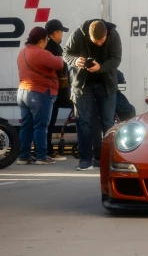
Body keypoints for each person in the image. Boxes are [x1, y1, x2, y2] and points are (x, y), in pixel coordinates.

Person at [63, 19, 122, 171]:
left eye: (101, 41)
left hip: (106, 85)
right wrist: (76, 61)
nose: (99, 44)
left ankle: (109, 159)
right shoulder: (78, 33)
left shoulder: (113, 35)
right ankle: (85, 160)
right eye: (95, 41)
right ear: (89, 36)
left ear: (106, 33)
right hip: (83, 86)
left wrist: (100, 67)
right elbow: (66, 53)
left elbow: (116, 59)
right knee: (84, 122)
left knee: (108, 123)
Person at [16, 26, 64, 165]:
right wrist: (60, 57)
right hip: (39, 93)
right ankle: (41, 156)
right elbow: (59, 63)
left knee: (26, 126)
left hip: (23, 92)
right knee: (41, 126)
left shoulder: (22, 52)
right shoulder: (41, 53)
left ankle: (23, 156)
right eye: (47, 39)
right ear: (42, 40)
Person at [45, 18, 71, 160]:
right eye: (61, 32)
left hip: (55, 91)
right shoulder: (52, 48)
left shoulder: (52, 46)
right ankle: (48, 151)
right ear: (55, 33)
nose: (62, 35)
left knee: (49, 121)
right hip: (53, 91)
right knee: (49, 121)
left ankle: (48, 151)